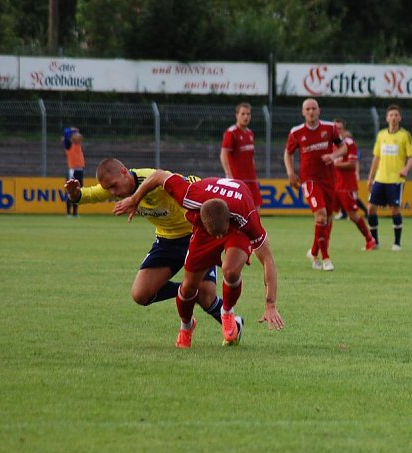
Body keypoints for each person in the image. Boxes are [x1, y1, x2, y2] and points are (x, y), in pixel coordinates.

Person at [64, 159, 243, 342]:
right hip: (167, 242)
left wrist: (135, 199)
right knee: (141, 295)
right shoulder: (116, 184)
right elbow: (88, 195)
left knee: (206, 296)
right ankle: (188, 291)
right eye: (108, 189)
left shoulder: (150, 179)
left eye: (113, 186)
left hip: (195, 236)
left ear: (125, 172)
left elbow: (160, 176)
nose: (113, 193)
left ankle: (234, 324)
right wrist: (74, 194)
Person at [113, 172, 284, 348]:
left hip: (235, 229)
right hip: (203, 230)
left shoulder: (247, 218)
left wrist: (270, 304)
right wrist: (135, 199)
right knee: (188, 288)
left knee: (231, 271)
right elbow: (158, 176)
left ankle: (226, 313)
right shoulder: (189, 195)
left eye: (220, 234)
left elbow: (268, 260)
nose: (218, 237)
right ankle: (186, 327)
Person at [284, 98, 347, 271]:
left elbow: (343, 148)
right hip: (309, 180)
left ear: (319, 111)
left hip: (329, 180)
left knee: (327, 219)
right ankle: (325, 259)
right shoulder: (296, 132)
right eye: (308, 109)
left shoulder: (330, 128)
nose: (311, 112)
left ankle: (313, 252)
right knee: (320, 215)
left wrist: (333, 156)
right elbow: (287, 153)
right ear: (303, 112)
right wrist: (290, 172)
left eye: (314, 108)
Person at [366, 104, 412, 251]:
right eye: (391, 115)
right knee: (370, 208)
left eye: (396, 115)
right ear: (387, 118)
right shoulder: (381, 135)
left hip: (395, 180)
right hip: (380, 178)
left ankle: (397, 243)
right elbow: (376, 157)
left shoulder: (405, 135)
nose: (393, 118)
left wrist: (406, 169)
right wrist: (370, 178)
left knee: (395, 209)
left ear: (400, 118)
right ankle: (374, 242)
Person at [332, 118, 376, 251]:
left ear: (344, 129)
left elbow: (352, 163)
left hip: (347, 185)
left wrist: (336, 164)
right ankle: (319, 248)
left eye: (339, 128)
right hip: (334, 184)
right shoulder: (331, 143)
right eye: (335, 128)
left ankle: (369, 239)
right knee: (325, 214)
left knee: (352, 214)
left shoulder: (349, 143)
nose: (337, 130)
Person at [220, 102, 262, 208]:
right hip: (237, 179)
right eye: (243, 114)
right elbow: (223, 154)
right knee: (237, 209)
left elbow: (250, 157)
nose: (246, 117)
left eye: (248, 114)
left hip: (251, 178)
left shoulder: (250, 133)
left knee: (256, 209)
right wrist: (229, 175)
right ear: (237, 115)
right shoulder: (231, 133)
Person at [63, 127, 84, 217]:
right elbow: (66, 133)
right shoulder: (68, 144)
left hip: (80, 170)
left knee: (78, 192)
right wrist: (72, 130)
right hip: (73, 170)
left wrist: (76, 131)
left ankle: (75, 213)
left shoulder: (77, 144)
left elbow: (79, 136)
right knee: (71, 191)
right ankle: (68, 213)